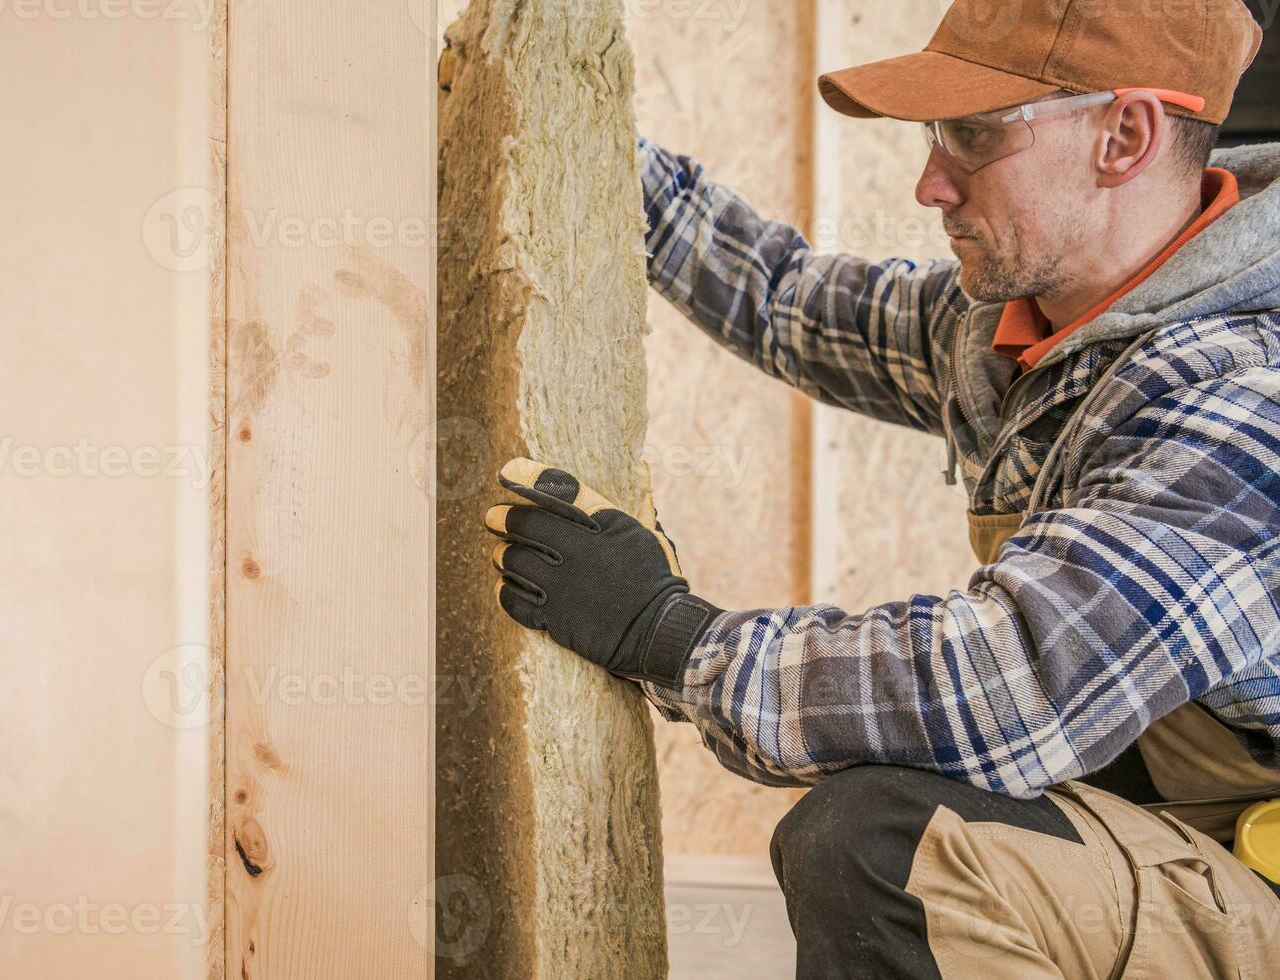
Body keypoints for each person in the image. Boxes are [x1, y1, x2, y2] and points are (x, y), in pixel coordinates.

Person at [484, 0, 1280, 975]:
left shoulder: (1244, 399)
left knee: (887, 844)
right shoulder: (1027, 319)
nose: (928, 182)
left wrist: (665, 633)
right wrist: (584, 143)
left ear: (1124, 134)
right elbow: (785, 298)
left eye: (973, 135)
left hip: (1259, 876)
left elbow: (1010, 684)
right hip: (1185, 832)